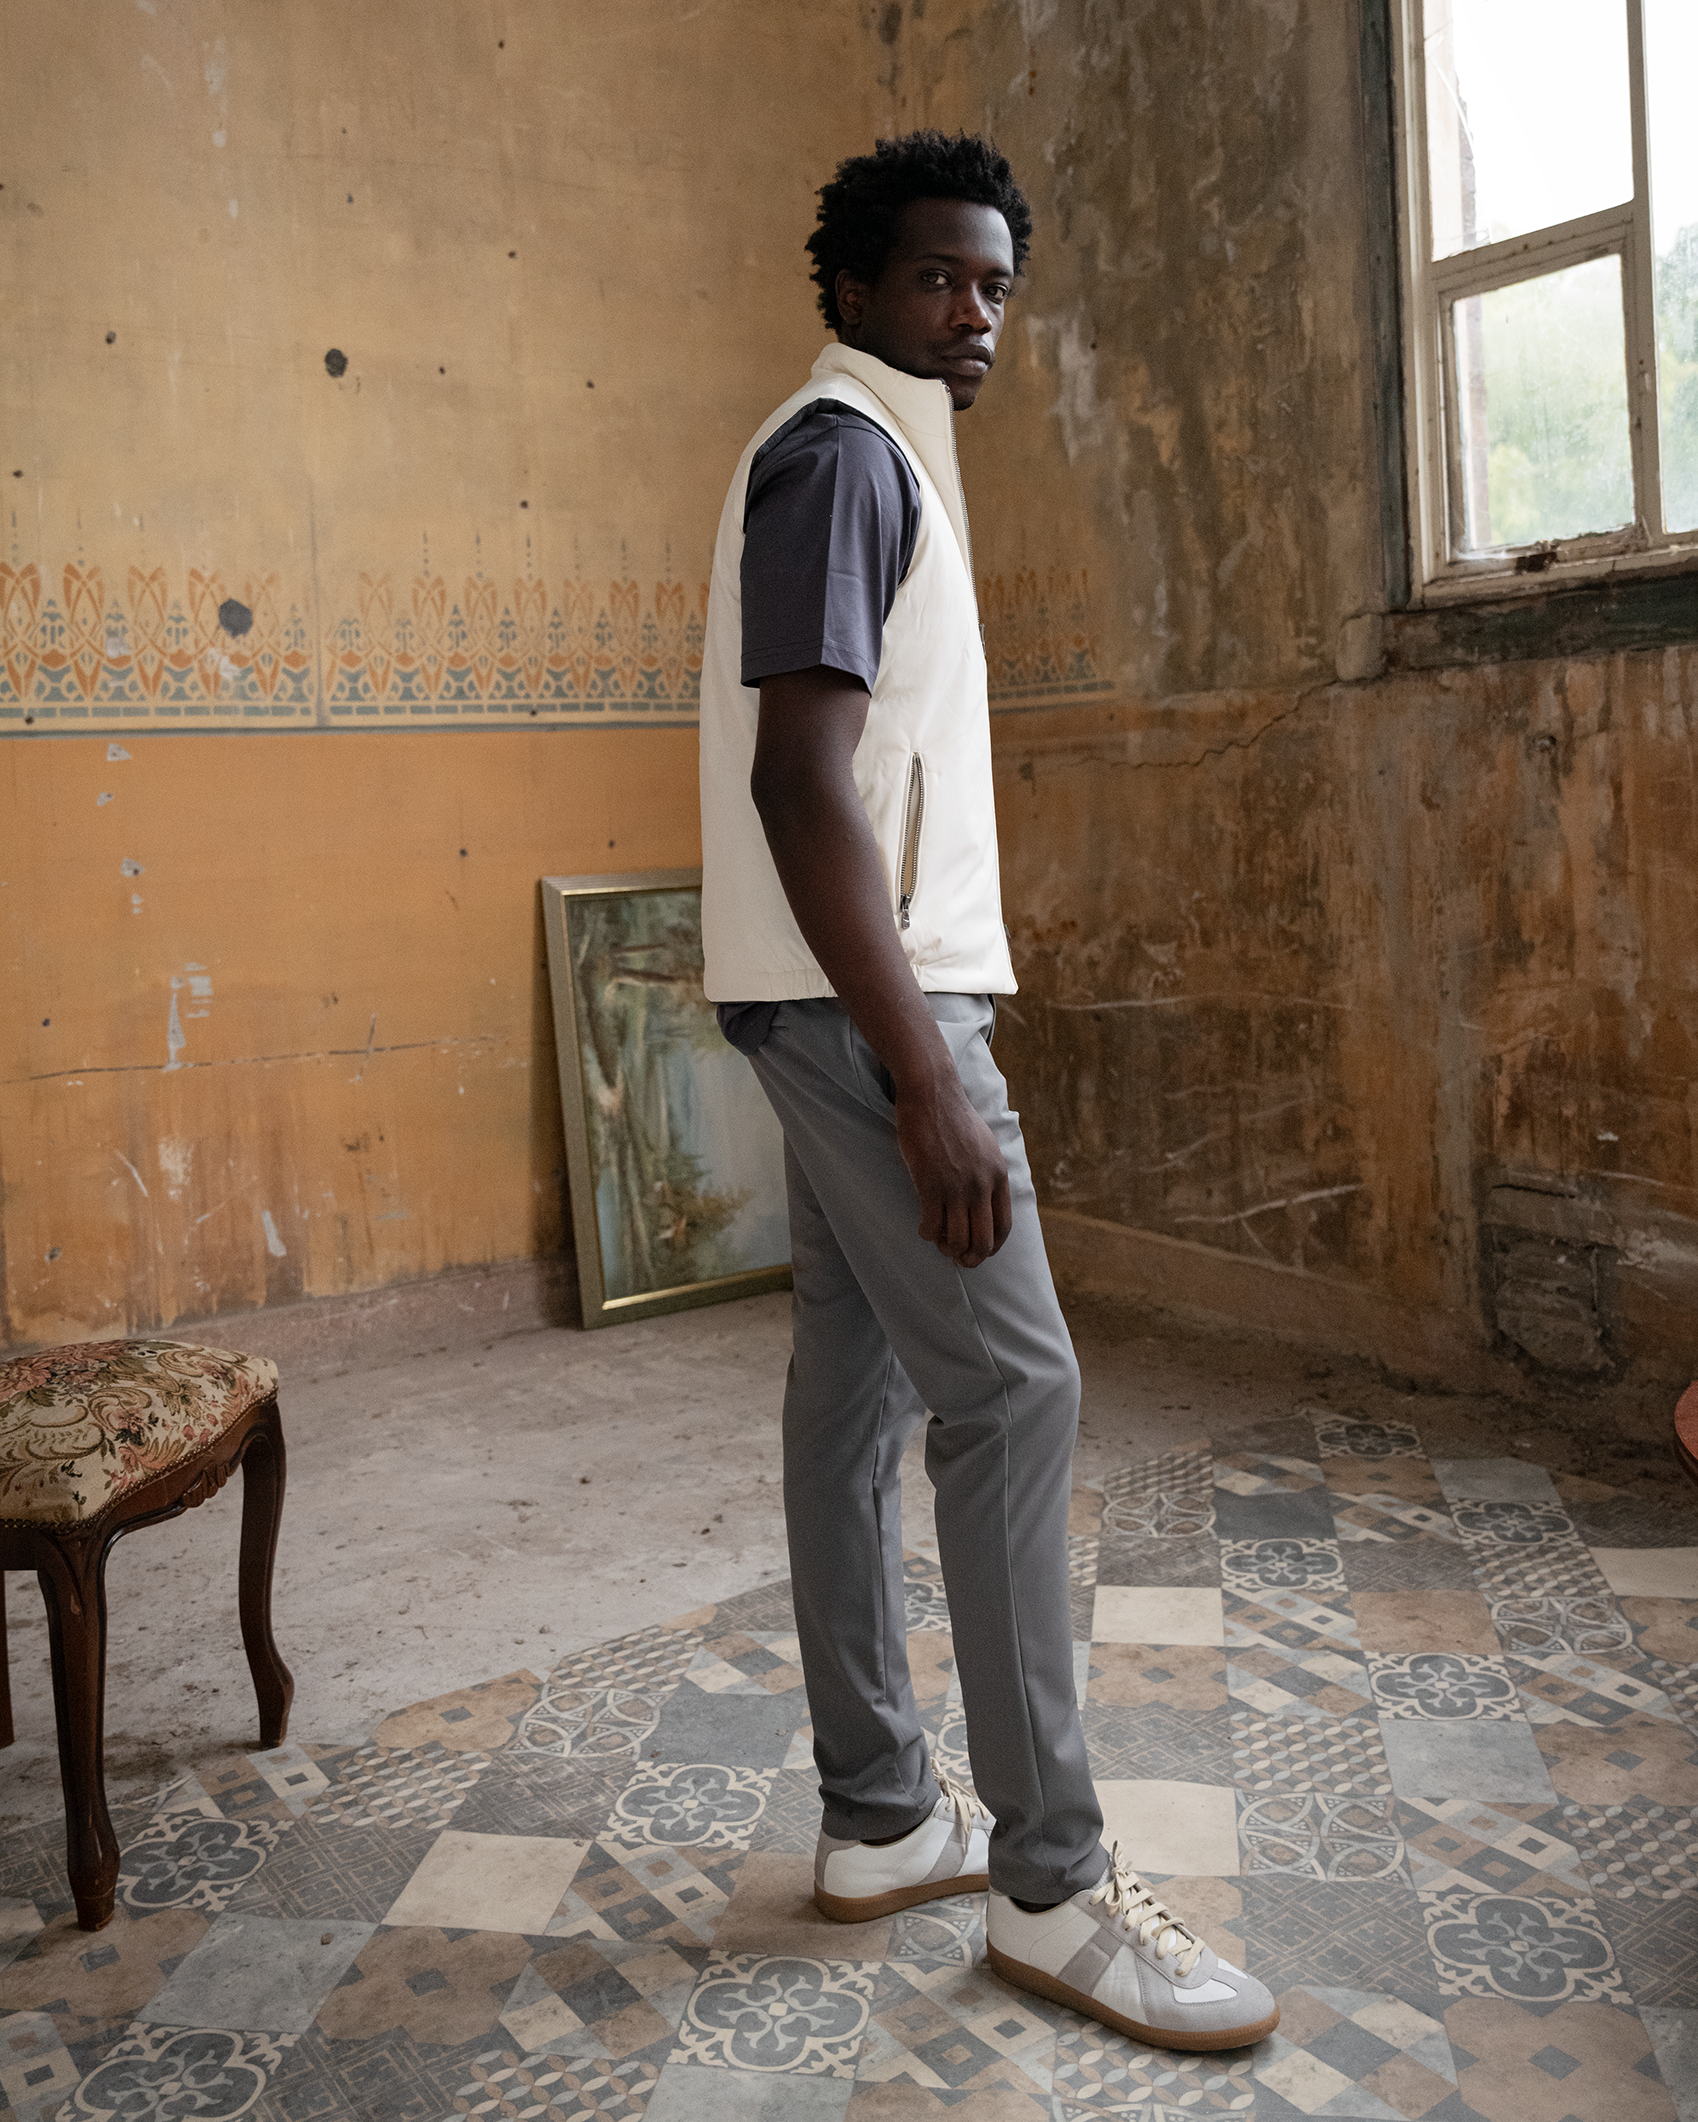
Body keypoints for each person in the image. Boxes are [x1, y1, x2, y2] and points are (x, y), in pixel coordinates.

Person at [696, 129, 1278, 2053]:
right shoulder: (841, 451)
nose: (974, 313)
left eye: (996, 285)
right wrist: (927, 1073)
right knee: (1018, 1391)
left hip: (829, 1009)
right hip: (879, 1017)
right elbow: (806, 784)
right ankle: (1047, 1888)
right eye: (938, 277)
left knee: (854, 1393)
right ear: (851, 284)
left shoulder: (863, 456)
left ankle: (878, 1822)